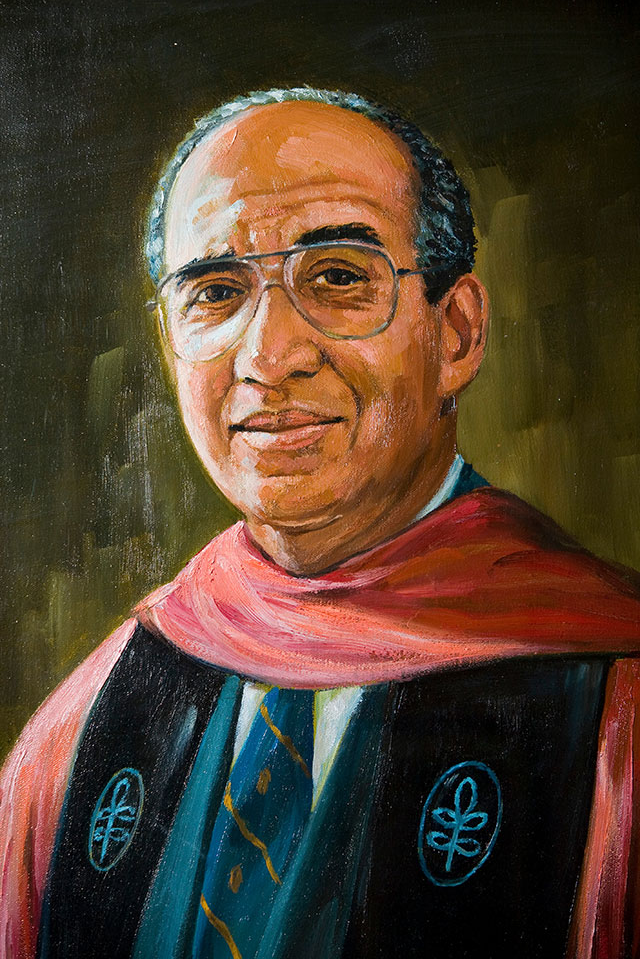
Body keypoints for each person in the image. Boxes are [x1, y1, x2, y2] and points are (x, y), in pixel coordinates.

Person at [1, 87, 639, 959]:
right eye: (214, 291)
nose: (270, 356)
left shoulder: (614, 708)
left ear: (455, 334)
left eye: (338, 278)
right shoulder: (85, 721)